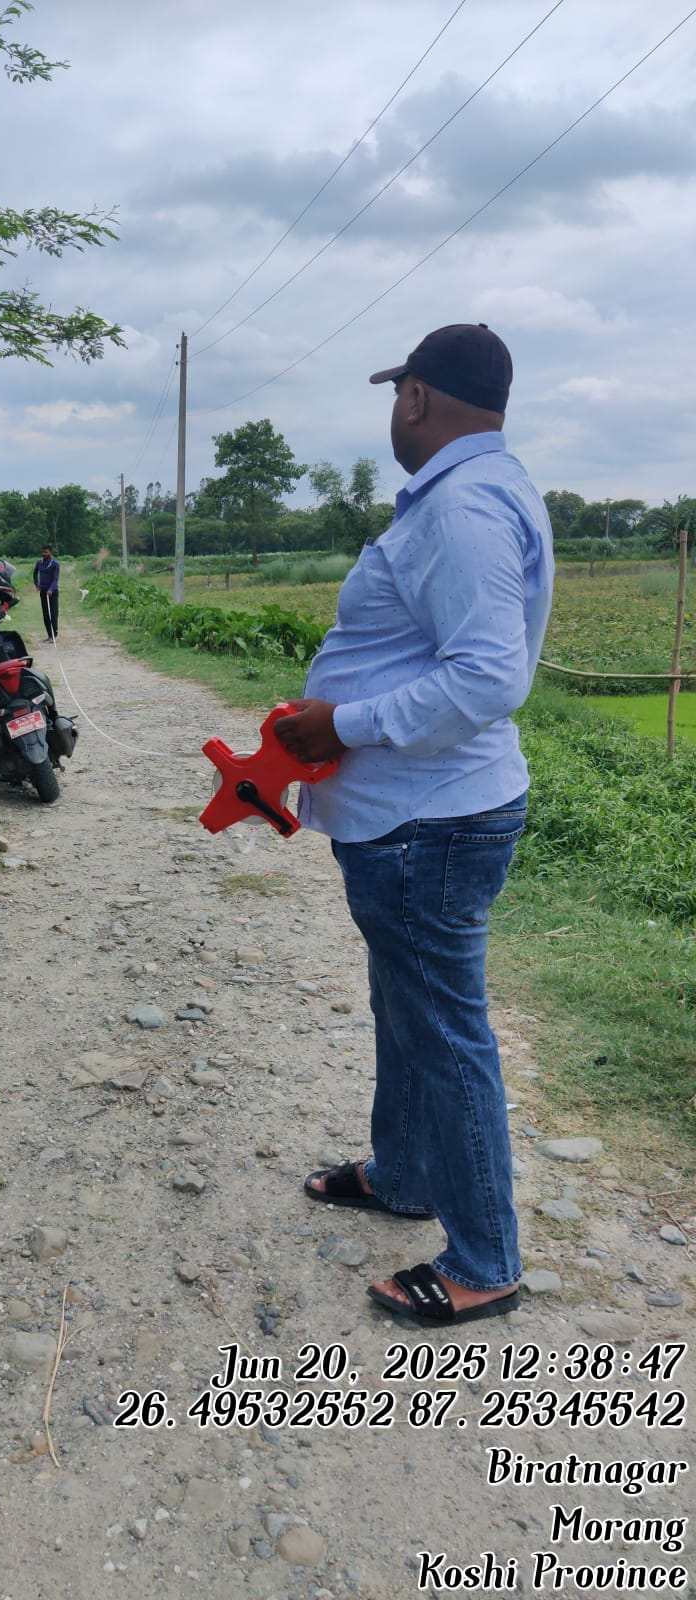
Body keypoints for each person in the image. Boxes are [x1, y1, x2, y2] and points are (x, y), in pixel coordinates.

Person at [275, 323, 554, 1326]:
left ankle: (485, 1262)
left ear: (418, 399)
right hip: (416, 815)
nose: (394, 410)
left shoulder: (464, 505)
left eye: (397, 394)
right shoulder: (480, 490)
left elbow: (488, 676)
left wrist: (340, 724)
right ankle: (404, 1174)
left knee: (444, 1031)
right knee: (405, 1004)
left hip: (429, 821)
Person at [33, 545, 60, 641]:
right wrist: (36, 583)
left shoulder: (55, 564)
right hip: (43, 591)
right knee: (46, 615)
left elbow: (55, 579)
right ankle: (49, 635)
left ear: (50, 553)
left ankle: (54, 635)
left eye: (46, 552)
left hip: (52, 592)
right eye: (43, 552)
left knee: (53, 614)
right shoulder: (39, 563)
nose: (44, 554)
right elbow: (35, 573)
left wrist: (51, 589)